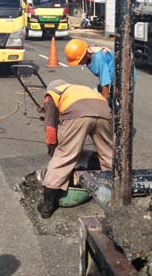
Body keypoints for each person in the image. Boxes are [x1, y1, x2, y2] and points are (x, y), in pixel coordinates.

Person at [37, 79, 114, 219]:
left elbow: (50, 128)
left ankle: (47, 205)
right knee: (108, 154)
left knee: (64, 157)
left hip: (78, 114)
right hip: (104, 111)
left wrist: (53, 149)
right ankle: (113, 196)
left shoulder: (51, 94)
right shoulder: (78, 88)